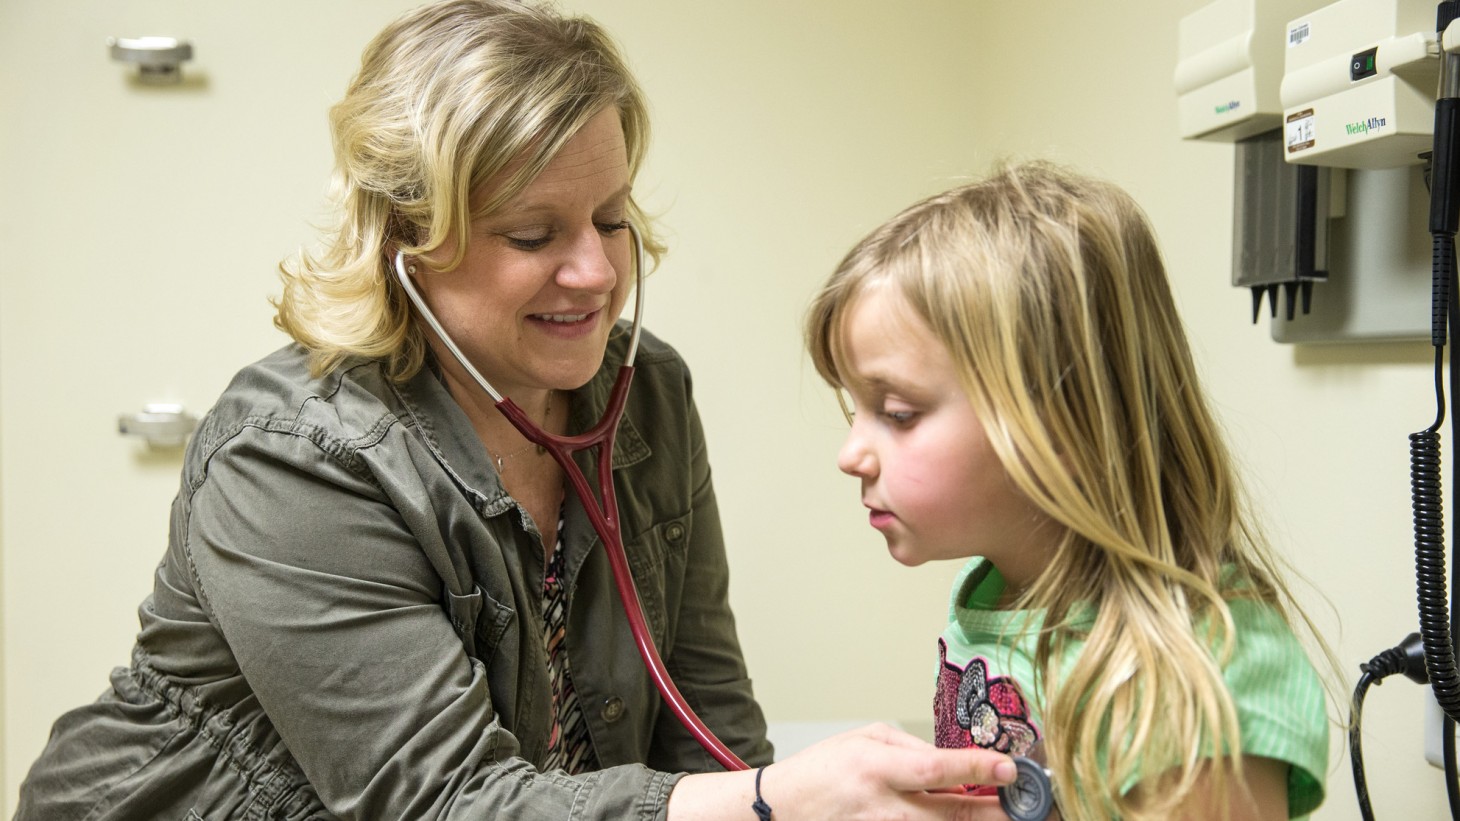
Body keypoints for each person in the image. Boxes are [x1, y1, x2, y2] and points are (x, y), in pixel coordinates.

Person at [14, 1, 1020, 819]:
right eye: (534, 231)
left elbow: (706, 728)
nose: (592, 270)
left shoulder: (645, 393)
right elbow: (444, 801)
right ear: (409, 239)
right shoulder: (292, 458)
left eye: (612, 218)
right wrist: (766, 800)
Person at [804, 163, 1332, 821]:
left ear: (1058, 422)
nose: (850, 454)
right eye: (853, 409)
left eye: (897, 411)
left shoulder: (1202, 678)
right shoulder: (995, 587)